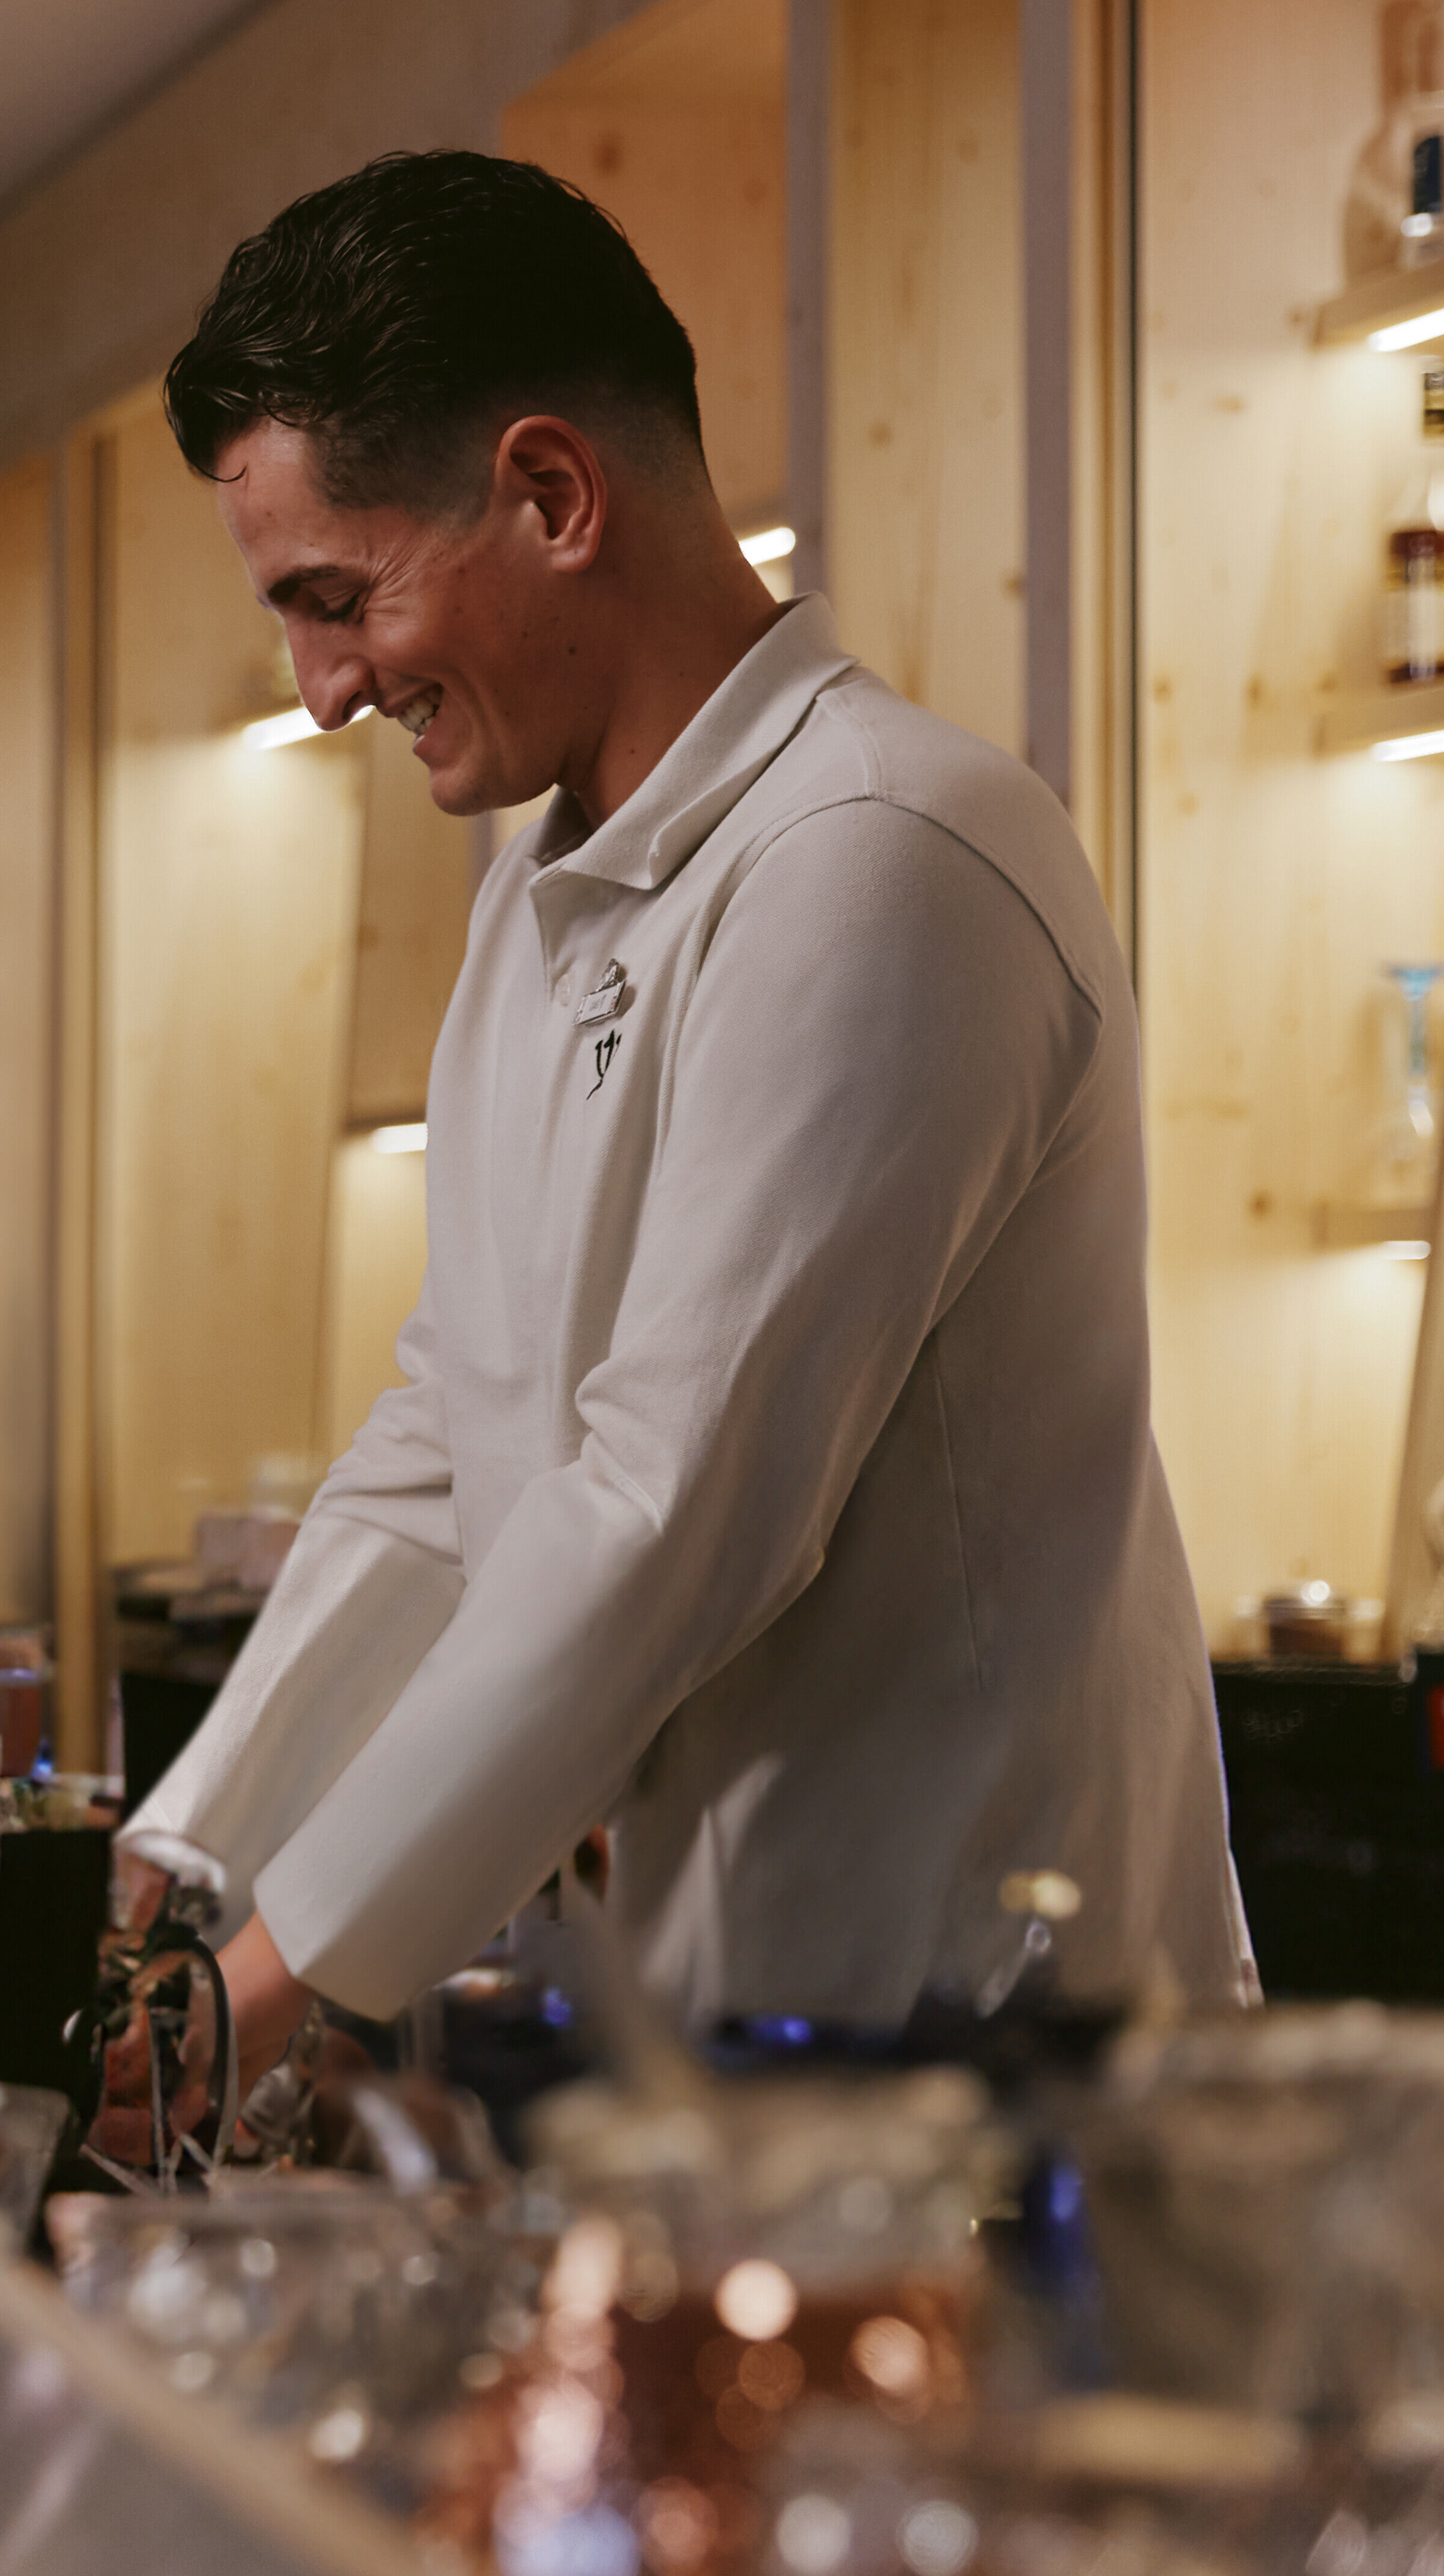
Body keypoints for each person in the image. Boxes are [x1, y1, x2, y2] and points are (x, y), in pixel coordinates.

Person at [118, 153, 1252, 2074]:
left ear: (552, 496)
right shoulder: (541, 883)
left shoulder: (883, 851)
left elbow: (670, 1510)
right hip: (722, 2047)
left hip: (983, 2059)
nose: (319, 690)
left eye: (339, 597)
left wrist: (279, 1982)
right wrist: (194, 1863)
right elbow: (451, 1428)